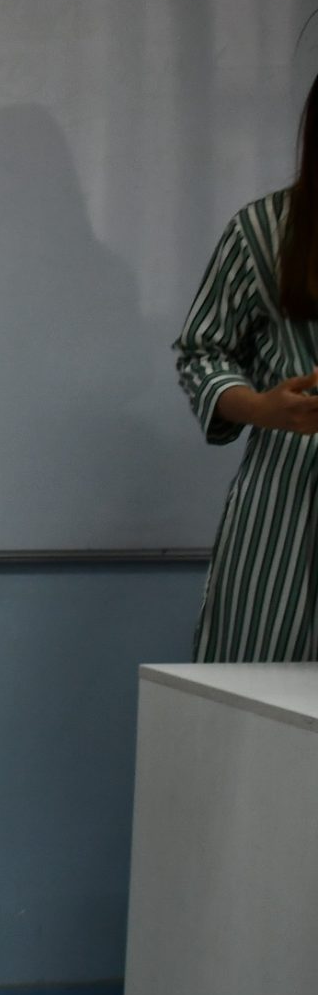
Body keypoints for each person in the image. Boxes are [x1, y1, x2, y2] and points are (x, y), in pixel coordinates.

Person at [175, 74, 318, 662]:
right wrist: (261, 407)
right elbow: (202, 350)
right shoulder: (265, 229)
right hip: (288, 503)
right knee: (259, 682)